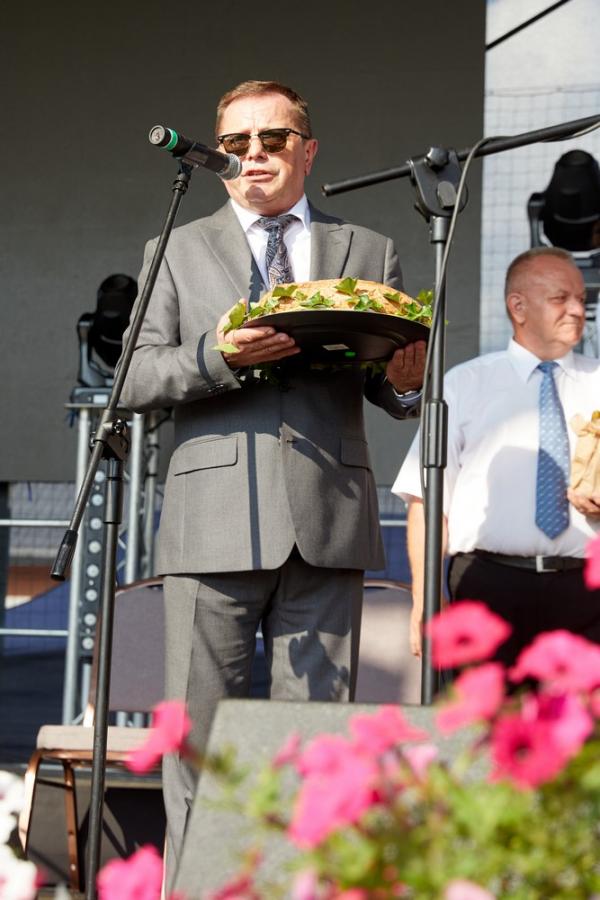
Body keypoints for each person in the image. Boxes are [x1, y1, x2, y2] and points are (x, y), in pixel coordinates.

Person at [120, 80, 425, 881]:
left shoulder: (369, 250)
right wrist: (219, 356)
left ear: (307, 150)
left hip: (328, 518)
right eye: (236, 142)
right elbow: (133, 379)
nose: (253, 154)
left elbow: (387, 387)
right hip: (211, 521)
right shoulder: (175, 249)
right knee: (199, 746)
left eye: (274, 138)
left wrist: (406, 382)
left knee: (316, 747)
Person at [393, 246, 600, 667]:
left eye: (581, 299)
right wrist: (425, 598)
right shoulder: (464, 385)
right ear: (517, 307)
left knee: (582, 710)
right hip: (487, 586)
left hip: (588, 594)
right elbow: (428, 501)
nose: (578, 310)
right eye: (561, 298)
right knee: (484, 708)